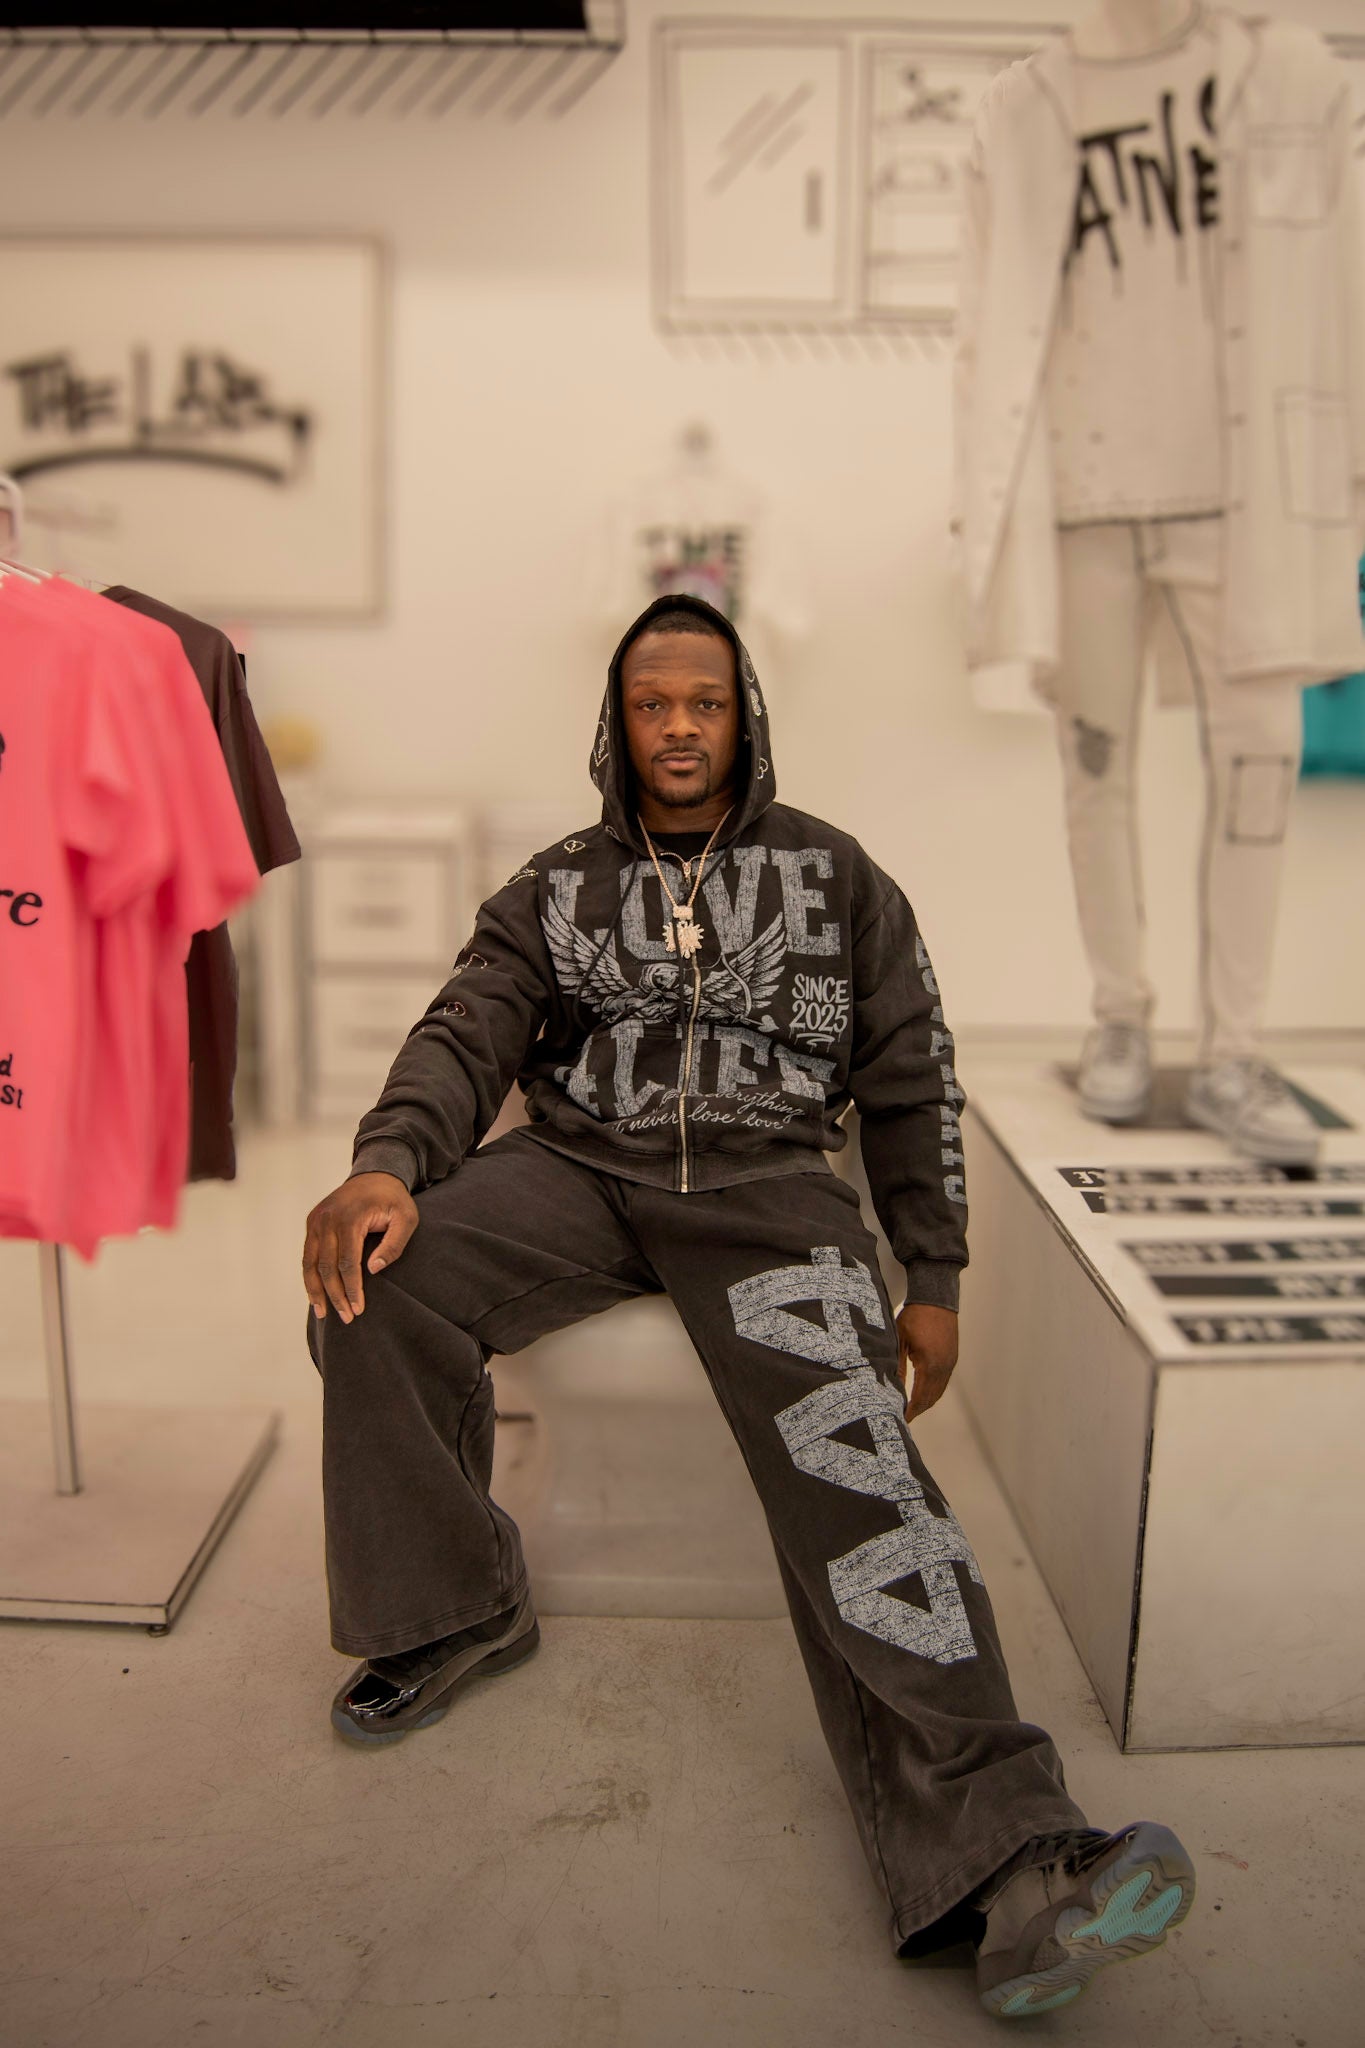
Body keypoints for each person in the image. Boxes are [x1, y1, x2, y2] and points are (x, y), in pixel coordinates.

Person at [303, 594, 1195, 2019]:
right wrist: (385, 1165)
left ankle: (1020, 1861)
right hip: (578, 1167)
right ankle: (453, 1606)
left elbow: (910, 1077)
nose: (676, 726)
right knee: (374, 1284)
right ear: (616, 721)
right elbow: (466, 1027)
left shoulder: (838, 881)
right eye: (651, 703)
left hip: (771, 1186)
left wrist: (933, 1273)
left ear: (743, 715)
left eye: (701, 702)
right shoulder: (552, 886)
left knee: (859, 1467)